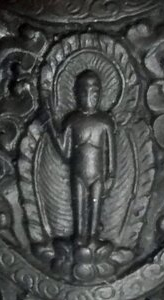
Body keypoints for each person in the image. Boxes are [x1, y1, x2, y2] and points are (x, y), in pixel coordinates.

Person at [57, 70, 116, 247]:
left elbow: (111, 153)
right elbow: (65, 153)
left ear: (100, 94)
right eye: (84, 93)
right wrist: (52, 128)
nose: (89, 97)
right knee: (79, 206)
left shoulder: (104, 122)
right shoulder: (72, 121)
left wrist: (111, 175)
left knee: (95, 207)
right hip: (78, 174)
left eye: (94, 92)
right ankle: (78, 237)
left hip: (98, 175)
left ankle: (92, 238)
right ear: (76, 94)